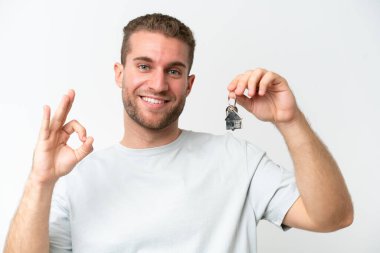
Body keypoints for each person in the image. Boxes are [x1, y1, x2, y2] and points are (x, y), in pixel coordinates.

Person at [4, 13, 353, 253]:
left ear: (189, 84)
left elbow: (333, 217)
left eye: (173, 70)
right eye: (144, 66)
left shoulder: (237, 160)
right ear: (119, 73)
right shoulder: (75, 180)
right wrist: (40, 180)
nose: (158, 84)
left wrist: (290, 120)